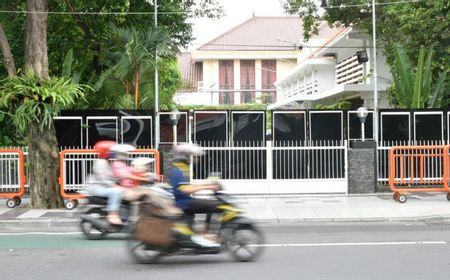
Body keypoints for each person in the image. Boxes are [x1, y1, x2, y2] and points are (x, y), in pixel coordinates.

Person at [168, 143, 223, 240]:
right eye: (192, 156)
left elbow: (188, 186)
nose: (195, 159)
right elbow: (185, 189)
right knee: (214, 205)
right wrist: (206, 187)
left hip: (185, 201)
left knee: (208, 204)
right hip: (184, 203)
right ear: (185, 157)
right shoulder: (179, 170)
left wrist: (208, 185)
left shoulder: (182, 168)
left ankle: (199, 235)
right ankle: (206, 234)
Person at [87, 140, 124, 225]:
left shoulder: (106, 162)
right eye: (111, 151)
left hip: (102, 187)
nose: (113, 153)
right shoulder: (101, 163)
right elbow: (104, 180)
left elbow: (110, 177)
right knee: (116, 192)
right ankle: (112, 214)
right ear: (105, 152)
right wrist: (116, 186)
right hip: (96, 188)